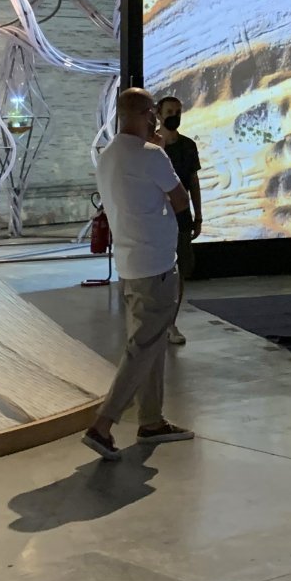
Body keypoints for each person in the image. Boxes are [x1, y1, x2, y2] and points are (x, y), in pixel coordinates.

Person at [85, 87, 194, 460]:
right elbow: (180, 199)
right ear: (144, 114)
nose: (156, 119)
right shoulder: (151, 155)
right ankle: (103, 424)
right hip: (155, 265)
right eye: (152, 113)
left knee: (151, 345)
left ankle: (151, 420)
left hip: (130, 265)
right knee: (143, 348)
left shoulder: (108, 156)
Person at [157, 95, 203, 345]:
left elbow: (193, 182)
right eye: (169, 112)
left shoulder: (188, 146)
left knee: (180, 270)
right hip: (155, 216)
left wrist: (198, 215)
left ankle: (171, 323)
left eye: (177, 112)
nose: (174, 116)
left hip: (182, 215)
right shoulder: (151, 146)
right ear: (159, 114)